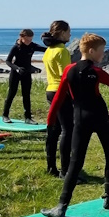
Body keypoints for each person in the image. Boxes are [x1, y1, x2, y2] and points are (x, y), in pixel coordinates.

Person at [43, 33, 109, 217]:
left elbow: (58, 98)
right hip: (100, 118)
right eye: (101, 51)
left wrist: (50, 122)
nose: (103, 54)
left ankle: (61, 207)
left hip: (80, 119)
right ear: (91, 51)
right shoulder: (97, 72)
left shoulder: (69, 71)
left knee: (75, 162)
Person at [42, 20, 73, 177]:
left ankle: (51, 166)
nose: (70, 34)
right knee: (68, 131)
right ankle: (66, 170)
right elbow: (65, 76)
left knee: (54, 130)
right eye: (68, 31)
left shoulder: (49, 50)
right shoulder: (62, 51)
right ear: (61, 33)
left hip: (50, 91)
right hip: (61, 93)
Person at [2, 29, 45, 123]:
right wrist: (16, 68)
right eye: (27, 40)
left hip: (26, 72)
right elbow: (8, 61)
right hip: (16, 72)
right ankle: (5, 115)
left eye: (31, 40)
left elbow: (46, 49)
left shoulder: (32, 46)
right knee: (11, 93)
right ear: (22, 38)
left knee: (26, 95)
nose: (29, 42)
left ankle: (28, 118)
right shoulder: (16, 47)